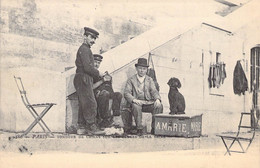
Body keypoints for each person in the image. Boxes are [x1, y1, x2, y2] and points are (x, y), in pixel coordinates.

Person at [73, 27, 106, 135]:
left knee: (83, 102)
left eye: (95, 38)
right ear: (85, 36)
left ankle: (81, 127)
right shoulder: (85, 49)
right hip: (84, 78)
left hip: (83, 78)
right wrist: (98, 74)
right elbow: (87, 68)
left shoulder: (85, 49)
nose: (93, 41)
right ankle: (92, 127)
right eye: (91, 37)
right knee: (90, 103)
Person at [123, 58, 163, 135]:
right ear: (137, 69)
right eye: (140, 68)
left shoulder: (149, 79)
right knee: (136, 106)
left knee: (159, 106)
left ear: (146, 70)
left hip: (147, 102)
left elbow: (154, 91)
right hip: (137, 102)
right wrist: (134, 100)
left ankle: (155, 129)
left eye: (144, 69)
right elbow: (126, 93)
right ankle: (139, 129)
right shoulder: (131, 80)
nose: (142, 70)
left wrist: (157, 99)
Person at [92, 54, 123, 128]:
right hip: (94, 95)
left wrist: (108, 78)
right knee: (104, 94)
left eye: (98, 63)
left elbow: (109, 88)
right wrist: (103, 80)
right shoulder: (90, 73)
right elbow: (91, 87)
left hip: (104, 94)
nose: (97, 64)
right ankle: (105, 118)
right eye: (95, 62)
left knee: (118, 94)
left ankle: (116, 116)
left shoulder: (100, 73)